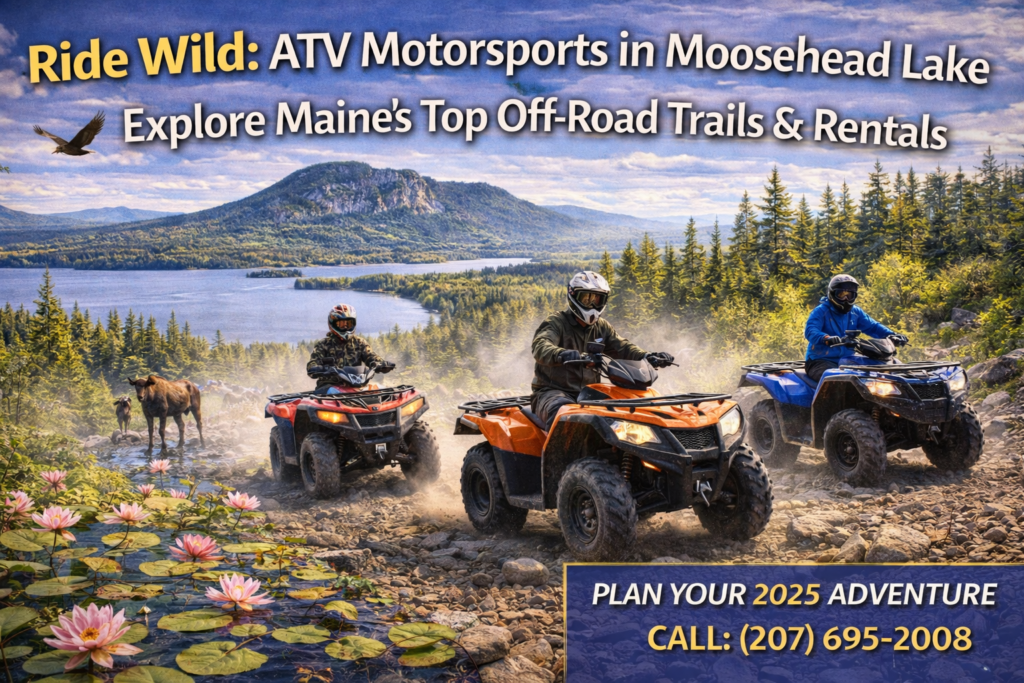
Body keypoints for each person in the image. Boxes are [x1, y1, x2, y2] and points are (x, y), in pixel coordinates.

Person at [531, 271, 675, 429]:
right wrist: (560, 354)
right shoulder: (556, 323)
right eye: (586, 298)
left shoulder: (601, 327)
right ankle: (557, 454)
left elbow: (623, 347)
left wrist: (648, 356)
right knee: (563, 412)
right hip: (552, 392)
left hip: (589, 392)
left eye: (597, 299)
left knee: (626, 413)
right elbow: (540, 345)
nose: (592, 304)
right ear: (573, 296)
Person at [804, 274, 908, 382]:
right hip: (820, 361)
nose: (846, 299)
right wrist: (826, 338)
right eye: (841, 294)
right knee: (837, 381)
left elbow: (873, 327)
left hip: (847, 360)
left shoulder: (855, 312)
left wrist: (892, 335)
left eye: (850, 295)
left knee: (884, 373)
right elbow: (810, 330)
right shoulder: (821, 311)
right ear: (832, 294)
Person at [306, 304, 393, 389]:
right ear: (333, 324)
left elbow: (370, 356)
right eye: (342, 324)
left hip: (356, 386)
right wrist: (319, 368)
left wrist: (380, 363)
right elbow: (312, 364)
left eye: (349, 324)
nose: (346, 327)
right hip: (329, 387)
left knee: (378, 390)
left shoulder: (359, 342)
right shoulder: (323, 344)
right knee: (333, 391)